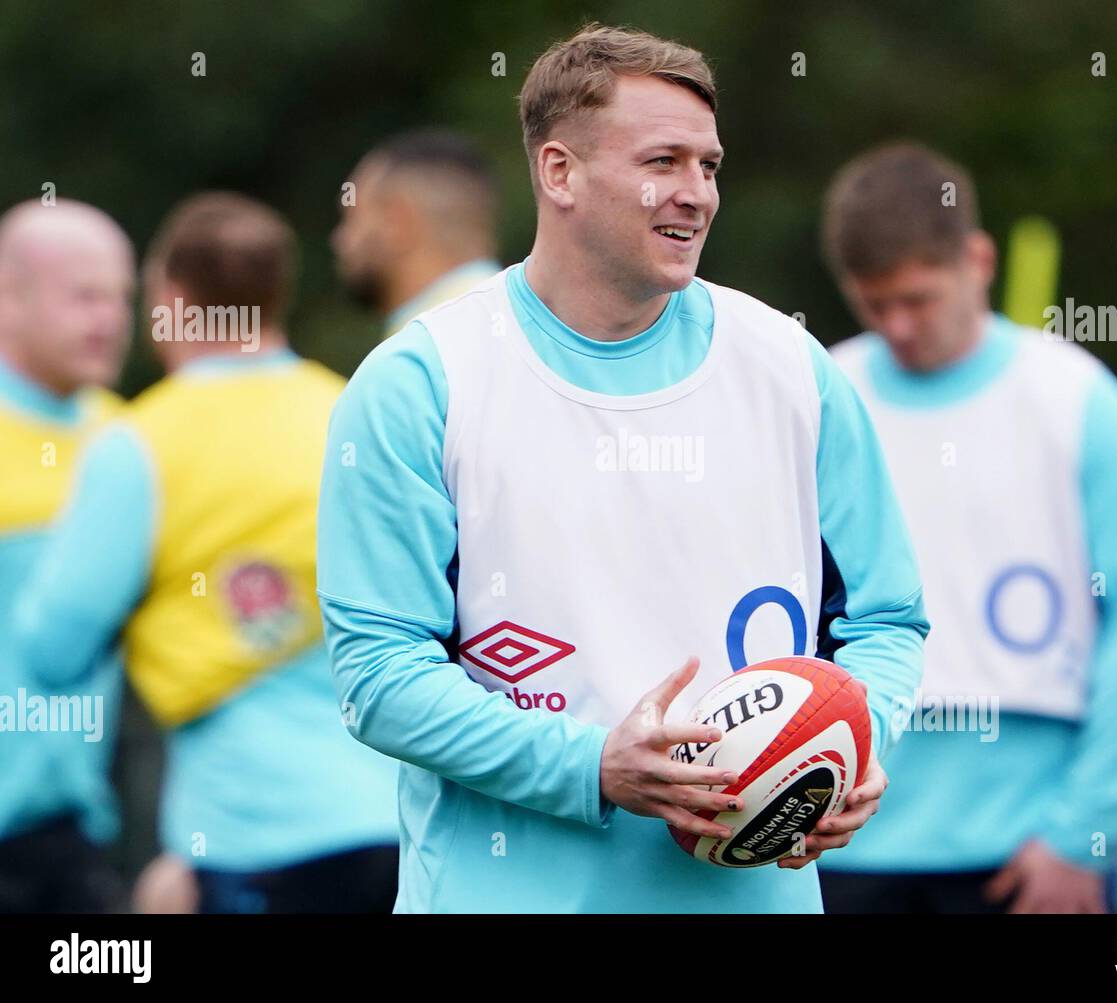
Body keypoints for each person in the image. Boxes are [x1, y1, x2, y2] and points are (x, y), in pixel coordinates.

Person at [317, 23, 929, 914]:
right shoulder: (421, 383)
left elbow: (889, 619)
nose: (696, 195)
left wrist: (849, 745)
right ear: (558, 172)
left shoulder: (793, 368)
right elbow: (377, 675)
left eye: (710, 166)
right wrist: (591, 766)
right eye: (664, 162)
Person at [816, 142, 1117, 913]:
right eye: (873, 303)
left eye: (918, 298)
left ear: (977, 259)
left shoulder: (1081, 401)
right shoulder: (821, 395)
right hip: (835, 847)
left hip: (1029, 859)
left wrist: (1086, 833)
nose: (898, 325)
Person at [13, 193, 399, 913]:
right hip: (400, 817)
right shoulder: (355, 410)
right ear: (278, 293)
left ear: (171, 300)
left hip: (252, 835)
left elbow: (52, 652)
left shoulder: (138, 443)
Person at [0, 199, 133, 912]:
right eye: (84, 295)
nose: (109, 319)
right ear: (9, 297)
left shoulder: (127, 441)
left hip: (74, 836)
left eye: (120, 296)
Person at [333, 128, 501, 336]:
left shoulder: (426, 348)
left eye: (352, 218)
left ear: (396, 222)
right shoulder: (525, 320)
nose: (339, 240)